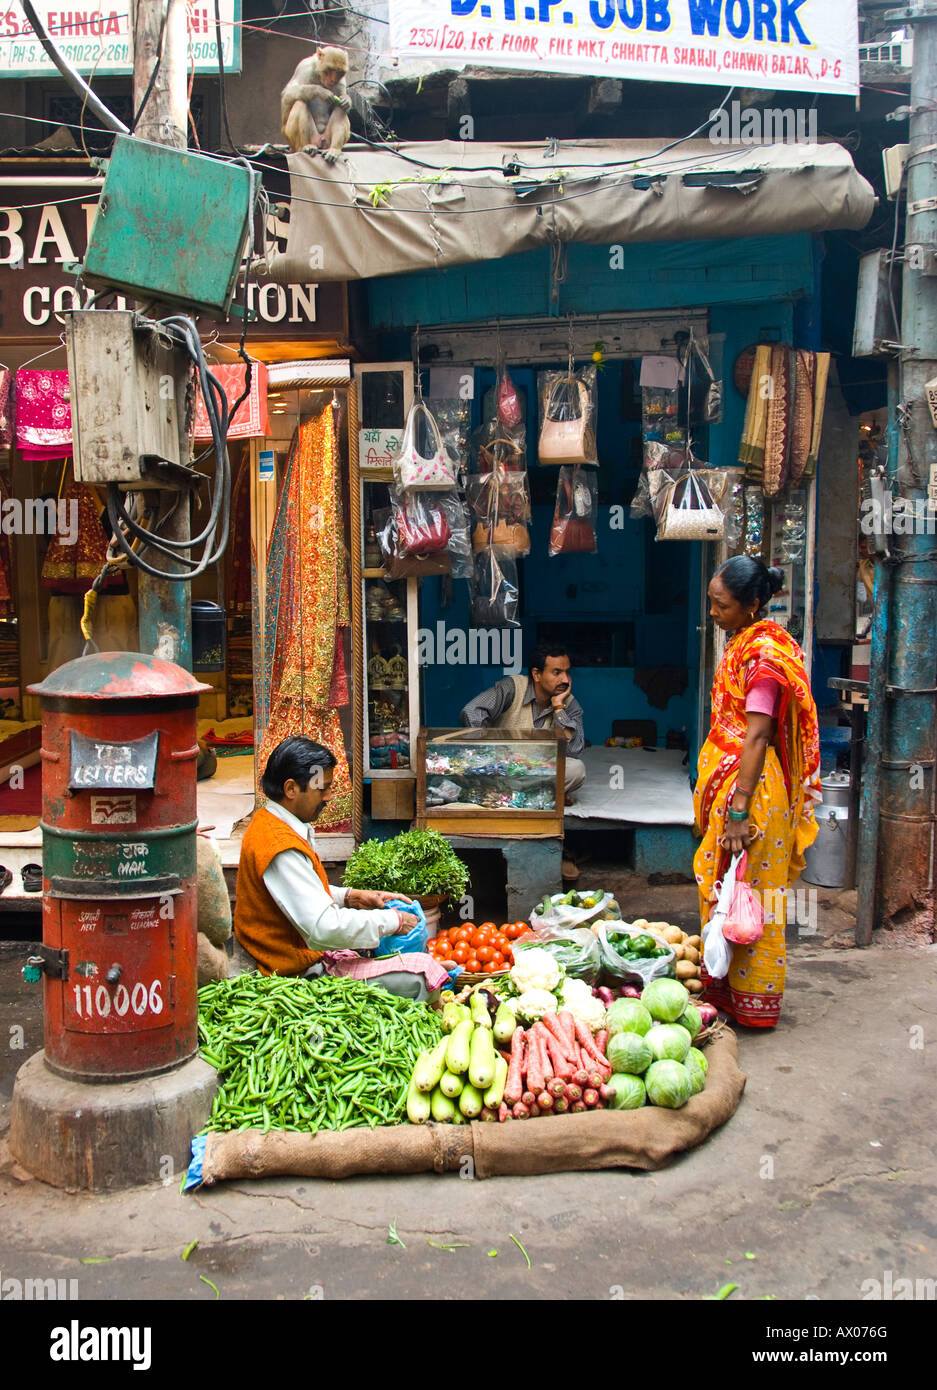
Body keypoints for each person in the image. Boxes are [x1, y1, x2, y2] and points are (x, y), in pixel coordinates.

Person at [693, 557, 820, 1029]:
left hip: (755, 793)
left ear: (751, 605)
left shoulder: (766, 658)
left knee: (752, 895)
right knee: (725, 887)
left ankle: (754, 1003)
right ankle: (724, 991)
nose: (712, 613)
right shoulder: (743, 645)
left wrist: (740, 809)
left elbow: (758, 736)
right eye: (710, 602)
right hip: (738, 787)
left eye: (720, 605)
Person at [234, 736, 422, 983]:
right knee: (418, 981)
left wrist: (351, 897)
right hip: (288, 969)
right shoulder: (279, 847)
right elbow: (323, 927)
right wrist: (392, 921)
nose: (329, 797)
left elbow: (300, 893)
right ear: (291, 789)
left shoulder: (271, 822)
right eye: (321, 789)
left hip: (291, 953)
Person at [460, 643, 586, 879]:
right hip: (500, 770)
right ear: (537, 675)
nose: (565, 679)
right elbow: (471, 711)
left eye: (567, 672)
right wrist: (494, 752)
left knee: (576, 770)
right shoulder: (512, 688)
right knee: (469, 769)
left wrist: (559, 709)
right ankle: (544, 797)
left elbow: (576, 749)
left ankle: (512, 797)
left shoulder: (570, 704)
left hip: (539, 772)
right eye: (557, 672)